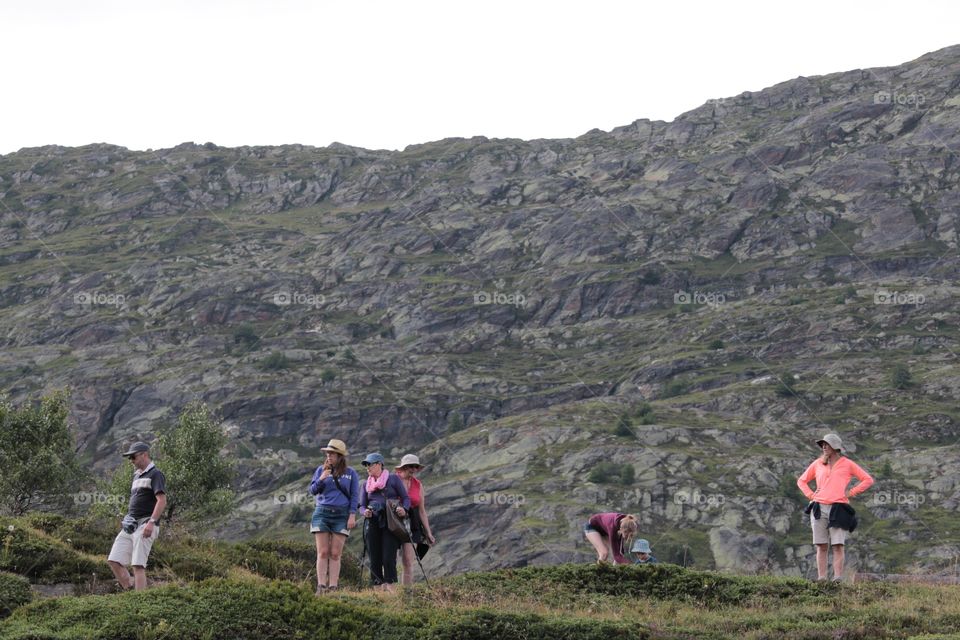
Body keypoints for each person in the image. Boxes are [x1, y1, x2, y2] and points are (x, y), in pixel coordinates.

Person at [796, 433, 874, 582]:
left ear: (836, 447)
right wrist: (811, 495)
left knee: (838, 545)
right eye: (822, 444)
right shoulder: (818, 463)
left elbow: (868, 480)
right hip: (818, 507)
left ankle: (837, 578)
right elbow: (801, 481)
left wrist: (850, 492)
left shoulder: (848, 464)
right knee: (821, 545)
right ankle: (822, 578)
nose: (824, 447)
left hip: (839, 509)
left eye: (827, 444)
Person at [107, 441, 167, 591]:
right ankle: (130, 590)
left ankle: (140, 601)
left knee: (138, 565)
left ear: (144, 455)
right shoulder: (136, 476)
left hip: (146, 524)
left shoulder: (156, 474)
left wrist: (152, 522)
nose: (131, 461)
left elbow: (162, 500)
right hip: (130, 525)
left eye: (133, 457)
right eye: (130, 458)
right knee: (114, 560)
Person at [308, 438, 360, 595]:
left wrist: (352, 515)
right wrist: (322, 478)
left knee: (336, 553)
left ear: (340, 456)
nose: (328, 456)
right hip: (322, 513)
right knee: (323, 552)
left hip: (342, 515)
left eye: (332, 453)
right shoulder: (320, 470)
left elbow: (354, 496)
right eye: (327, 453)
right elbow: (313, 490)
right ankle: (321, 586)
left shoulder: (351, 473)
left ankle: (333, 587)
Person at [360, 452, 410, 592]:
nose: (368, 468)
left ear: (380, 464)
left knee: (388, 557)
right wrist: (365, 512)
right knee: (375, 558)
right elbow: (362, 506)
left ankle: (391, 590)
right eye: (366, 465)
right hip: (372, 522)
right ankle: (378, 591)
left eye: (370, 464)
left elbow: (406, 498)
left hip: (390, 522)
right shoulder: (365, 484)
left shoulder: (393, 479)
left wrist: (403, 509)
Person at [394, 454, 436, 585]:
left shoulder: (418, 485)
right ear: (403, 467)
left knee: (408, 559)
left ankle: (407, 592)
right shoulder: (393, 480)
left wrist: (428, 532)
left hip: (413, 523)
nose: (412, 469)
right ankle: (389, 590)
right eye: (410, 466)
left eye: (415, 467)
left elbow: (422, 510)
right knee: (391, 558)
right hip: (394, 521)